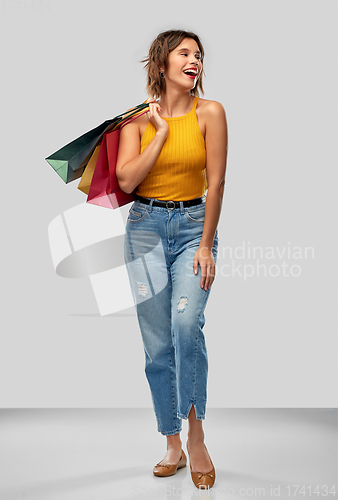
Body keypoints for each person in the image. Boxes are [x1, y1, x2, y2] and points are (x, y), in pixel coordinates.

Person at [116, 29, 228, 489]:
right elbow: (126, 181)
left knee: (186, 326)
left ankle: (197, 437)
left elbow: (217, 184)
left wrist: (205, 245)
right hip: (144, 230)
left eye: (198, 55)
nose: (194, 60)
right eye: (184, 53)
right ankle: (171, 441)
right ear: (162, 63)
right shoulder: (137, 122)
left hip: (192, 229)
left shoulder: (211, 113)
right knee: (157, 341)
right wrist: (159, 134)